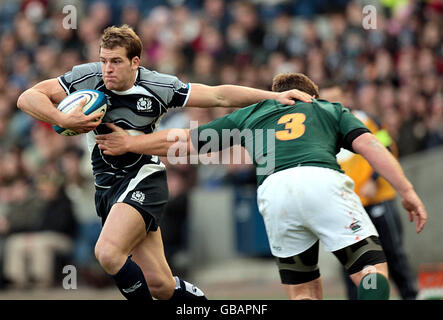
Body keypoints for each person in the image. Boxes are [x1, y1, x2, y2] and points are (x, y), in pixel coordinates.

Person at [16, 25, 312, 301]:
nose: (107, 68)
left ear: (135, 62)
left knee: (107, 252)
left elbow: (219, 95)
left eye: (116, 61)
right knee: (160, 284)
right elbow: (28, 97)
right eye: (104, 60)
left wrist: (274, 97)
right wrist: (61, 118)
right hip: (106, 185)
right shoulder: (87, 77)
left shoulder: (157, 87)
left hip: (144, 178)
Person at [96, 73, 428, 300]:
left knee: (302, 292)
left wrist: (129, 144)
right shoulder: (327, 109)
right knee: (370, 269)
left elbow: (184, 141)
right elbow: (371, 147)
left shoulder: (252, 114)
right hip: (321, 180)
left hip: (274, 191)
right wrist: (408, 192)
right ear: (308, 95)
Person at [322, 86, 419, 299]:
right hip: (348, 207)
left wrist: (374, 179)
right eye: (326, 101)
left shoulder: (368, 120)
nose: (332, 105)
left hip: (378, 200)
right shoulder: (320, 131)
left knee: (393, 255)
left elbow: (386, 148)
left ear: (346, 98)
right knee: (351, 263)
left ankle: (410, 296)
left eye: (336, 99)